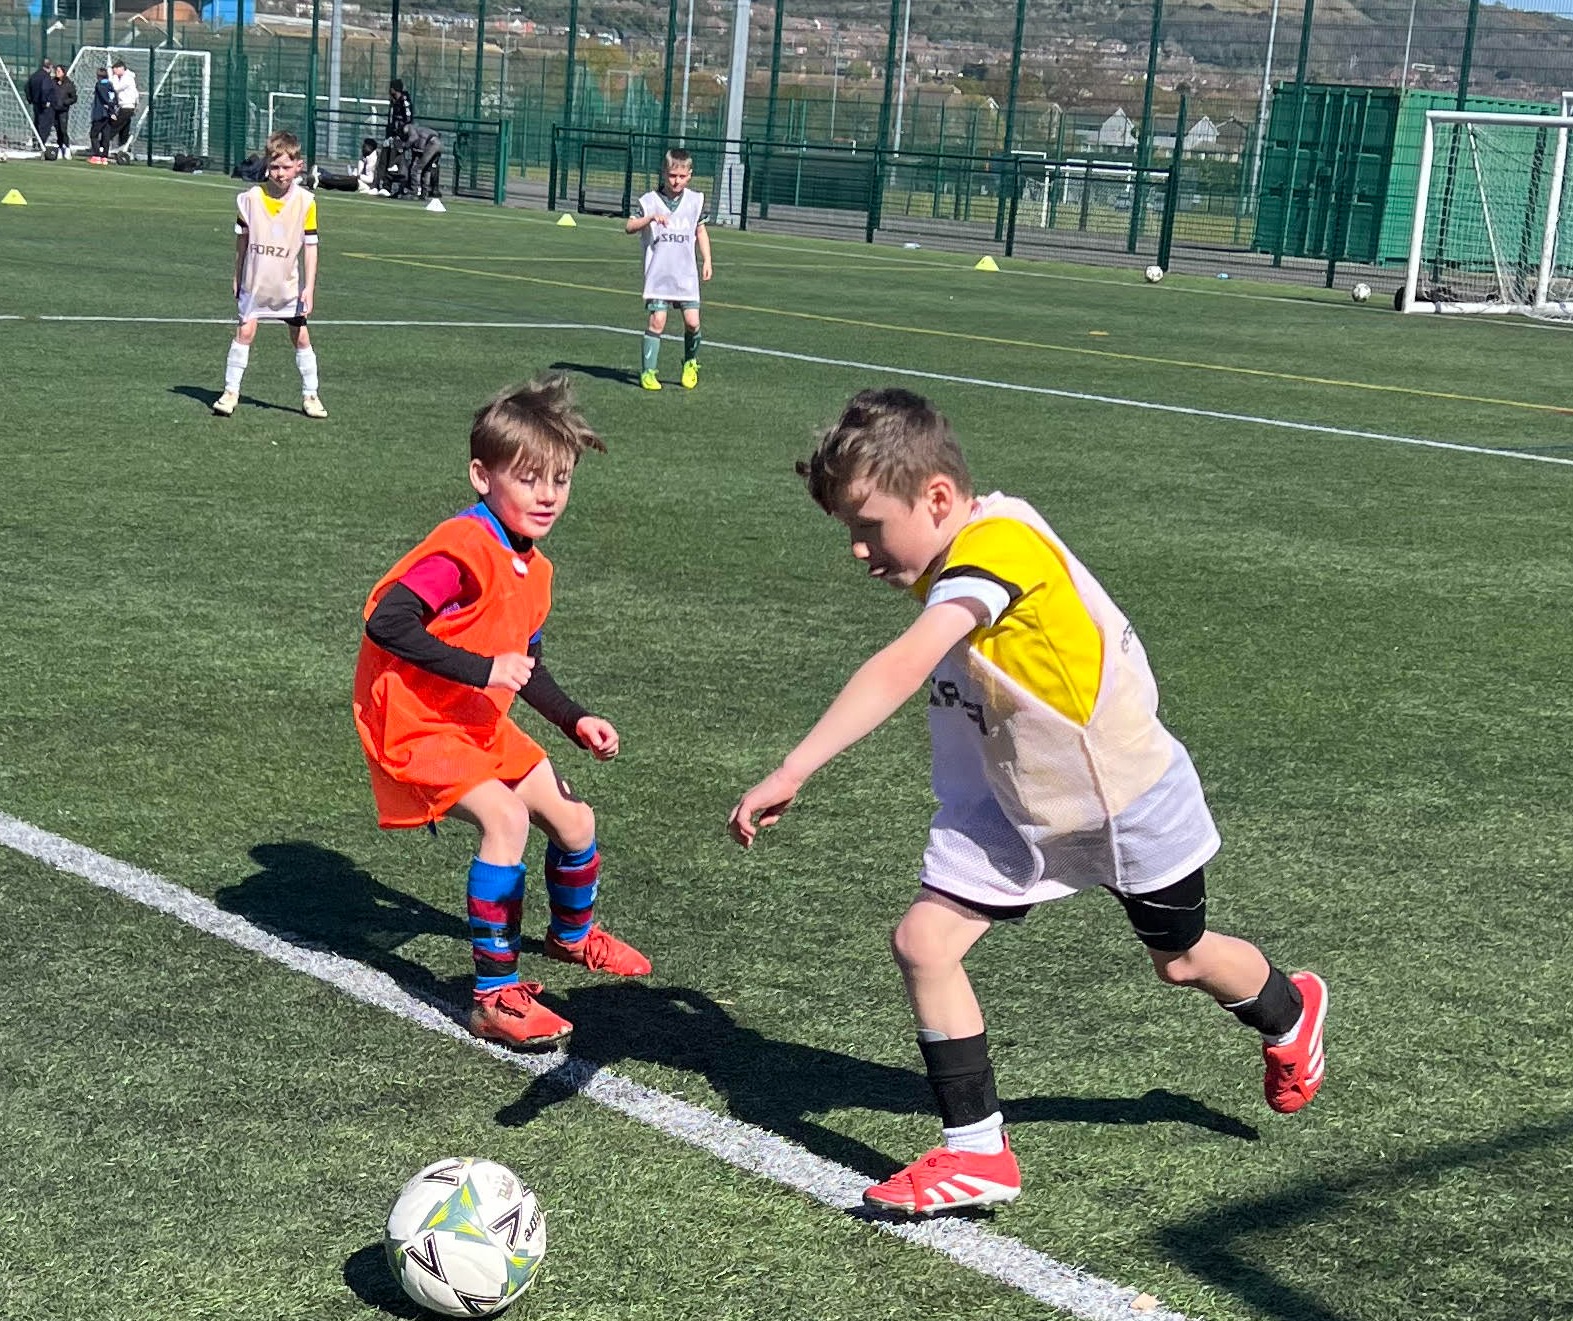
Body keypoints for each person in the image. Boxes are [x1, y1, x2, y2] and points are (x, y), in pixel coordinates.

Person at [729, 390, 1327, 1217]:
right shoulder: (952, 553)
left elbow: (904, 665)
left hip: (1123, 802)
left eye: (868, 526)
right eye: (849, 532)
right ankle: (975, 1153)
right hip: (1015, 804)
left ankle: (1290, 1010)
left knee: (1181, 960)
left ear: (937, 498)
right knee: (923, 942)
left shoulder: (998, 546)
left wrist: (793, 767)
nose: (860, 552)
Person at [353, 376, 650, 1050]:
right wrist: (483, 671)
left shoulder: (534, 568)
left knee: (575, 820)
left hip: (475, 720)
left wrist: (574, 718)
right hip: (418, 722)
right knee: (506, 818)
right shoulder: (460, 550)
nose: (547, 495)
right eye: (530, 478)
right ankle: (493, 996)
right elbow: (387, 622)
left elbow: (526, 666)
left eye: (561, 480)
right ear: (481, 476)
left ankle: (571, 936)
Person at [213, 131, 323, 420]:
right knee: (245, 331)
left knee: (300, 336)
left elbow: (311, 248)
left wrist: (309, 288)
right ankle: (230, 391)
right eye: (274, 167)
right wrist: (237, 274)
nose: (280, 173)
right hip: (256, 281)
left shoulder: (305, 202)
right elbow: (242, 243)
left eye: (286, 167)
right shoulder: (250, 199)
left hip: (287, 286)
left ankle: (310, 394)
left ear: (298, 166)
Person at [625, 148, 710, 390]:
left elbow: (700, 231)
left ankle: (690, 363)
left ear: (690, 175)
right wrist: (650, 218)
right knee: (657, 321)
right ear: (664, 173)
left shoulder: (695, 201)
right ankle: (648, 372)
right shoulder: (649, 201)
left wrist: (707, 260)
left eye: (682, 177)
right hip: (659, 275)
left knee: (693, 322)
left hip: (685, 275)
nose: (677, 181)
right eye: (672, 175)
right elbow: (629, 226)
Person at [106, 58, 137, 158]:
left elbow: (115, 88)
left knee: (114, 125)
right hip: (124, 106)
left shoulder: (127, 78)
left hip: (127, 107)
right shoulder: (123, 78)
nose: (114, 71)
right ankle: (123, 148)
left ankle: (104, 145)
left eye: (115, 69)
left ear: (121, 68)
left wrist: (112, 76)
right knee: (124, 129)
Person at [86, 65, 113, 159]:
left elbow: (104, 97)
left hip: (100, 113)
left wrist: (107, 103)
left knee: (93, 134)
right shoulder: (110, 84)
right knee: (106, 135)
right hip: (108, 114)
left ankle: (96, 155)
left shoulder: (99, 85)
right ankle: (104, 156)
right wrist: (111, 107)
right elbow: (113, 97)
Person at [46, 62, 73, 153]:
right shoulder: (53, 82)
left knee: (63, 129)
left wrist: (65, 102)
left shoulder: (68, 84)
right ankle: (60, 147)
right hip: (54, 109)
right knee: (57, 129)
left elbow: (73, 97)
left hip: (63, 110)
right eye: (56, 71)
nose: (57, 72)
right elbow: (49, 93)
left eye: (59, 71)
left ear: (63, 72)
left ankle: (67, 147)